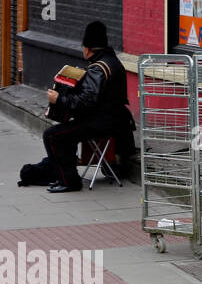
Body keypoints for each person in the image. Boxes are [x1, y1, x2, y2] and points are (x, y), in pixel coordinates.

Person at [41, 21, 135, 193]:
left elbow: (85, 101)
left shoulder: (98, 69)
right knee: (65, 133)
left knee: (52, 135)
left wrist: (59, 99)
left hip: (101, 123)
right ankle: (68, 176)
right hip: (116, 120)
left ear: (88, 48)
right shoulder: (112, 61)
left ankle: (68, 180)